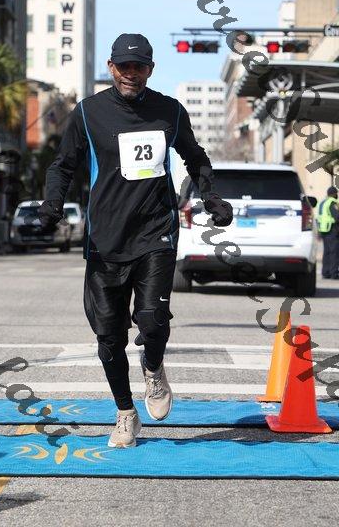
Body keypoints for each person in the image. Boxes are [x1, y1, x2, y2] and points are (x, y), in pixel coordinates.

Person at [38, 34, 233, 448]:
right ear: (111, 68)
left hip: (155, 231)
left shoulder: (170, 111)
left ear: (150, 69)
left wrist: (210, 195)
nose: (131, 73)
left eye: (139, 66)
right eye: (124, 66)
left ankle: (154, 366)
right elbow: (63, 165)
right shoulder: (88, 112)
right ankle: (126, 413)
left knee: (153, 320)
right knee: (109, 336)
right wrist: (52, 201)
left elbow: (195, 157)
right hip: (105, 238)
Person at [317, 186, 339, 279]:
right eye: (336, 193)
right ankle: (334, 273)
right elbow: (337, 217)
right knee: (334, 252)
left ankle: (326, 272)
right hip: (332, 230)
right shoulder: (332, 203)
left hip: (323, 230)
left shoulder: (322, 203)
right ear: (334, 194)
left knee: (327, 252)